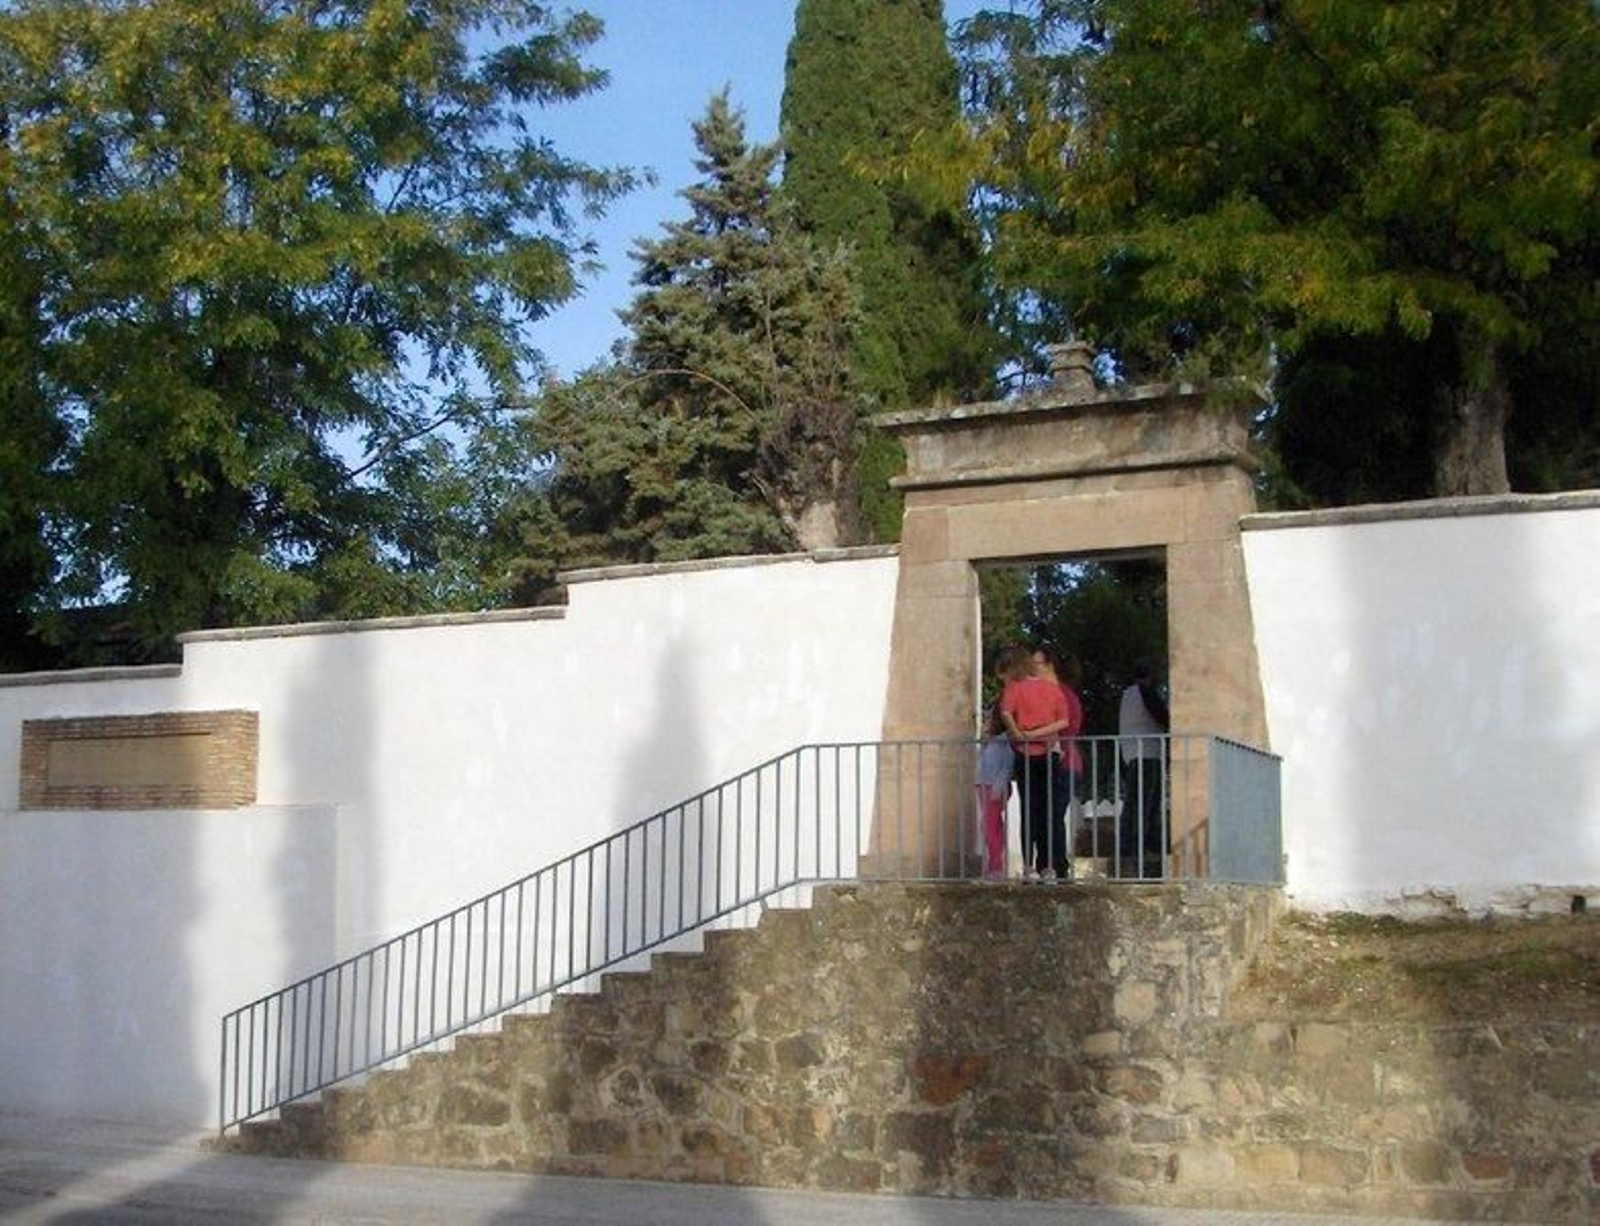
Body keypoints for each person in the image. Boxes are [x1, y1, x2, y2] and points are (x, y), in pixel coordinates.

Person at [1000, 646, 1071, 881]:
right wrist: (1039, 733)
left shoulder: (1014, 688)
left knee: (1028, 810)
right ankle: (1048, 866)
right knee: (1048, 811)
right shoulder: (1053, 689)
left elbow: (1006, 712)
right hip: (1049, 752)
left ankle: (1028, 866)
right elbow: (1063, 721)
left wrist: (1019, 733)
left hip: (1025, 753)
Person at [1032, 647, 1083, 880]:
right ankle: (1046, 866)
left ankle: (1058, 867)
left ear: (1049, 666)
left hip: (1064, 763)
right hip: (1047, 762)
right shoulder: (1044, 694)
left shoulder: (1063, 694)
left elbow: (1069, 727)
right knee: (1044, 816)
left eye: (1036, 664)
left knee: (1052, 815)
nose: (1032, 670)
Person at [1117, 659, 1170, 879]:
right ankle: (1139, 846)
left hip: (1132, 753)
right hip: (1148, 752)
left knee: (1136, 802)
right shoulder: (1145, 692)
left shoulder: (1127, 694)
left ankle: (1135, 845)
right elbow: (1163, 716)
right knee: (1146, 804)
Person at [974, 704, 1014, 880]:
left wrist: (999, 785)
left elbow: (1007, 765)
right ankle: (994, 864)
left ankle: (996, 866)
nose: (985, 722)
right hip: (983, 784)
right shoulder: (989, 741)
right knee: (991, 825)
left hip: (993, 786)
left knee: (990, 826)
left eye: (989, 718)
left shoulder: (1003, 741)